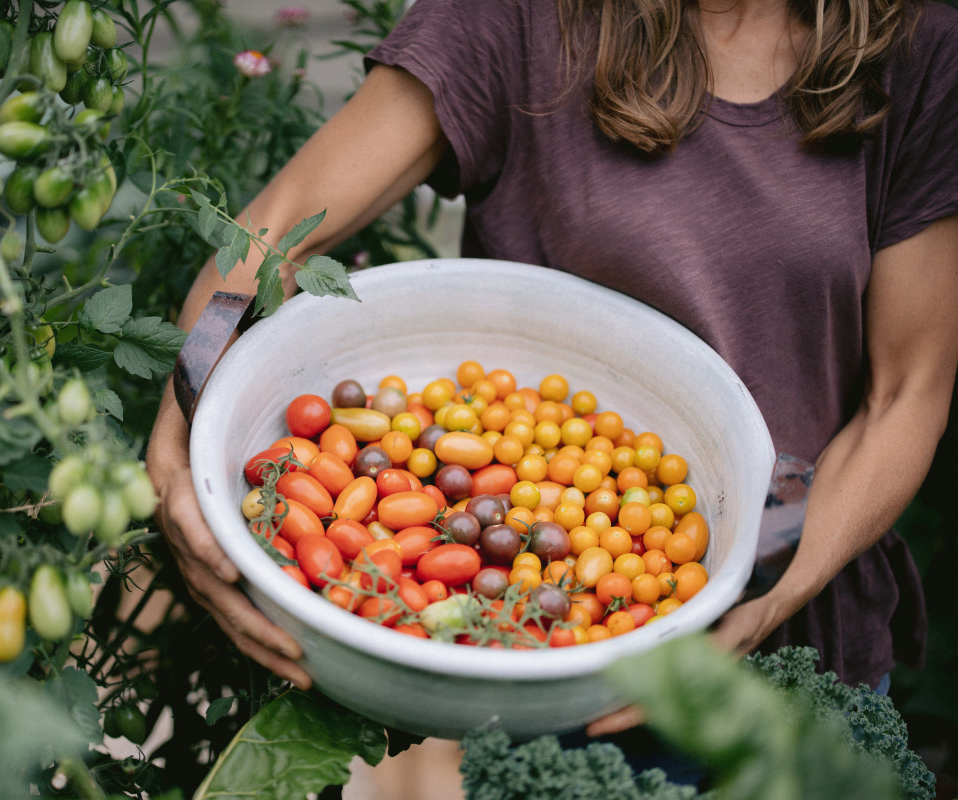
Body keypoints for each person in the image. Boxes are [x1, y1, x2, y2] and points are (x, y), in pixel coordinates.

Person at [145, 0, 958, 768]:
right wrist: (178, 449)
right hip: (551, 674)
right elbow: (270, 232)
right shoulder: (522, 17)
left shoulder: (919, 49)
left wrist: (765, 595)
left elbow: (907, 392)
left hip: (803, 652)